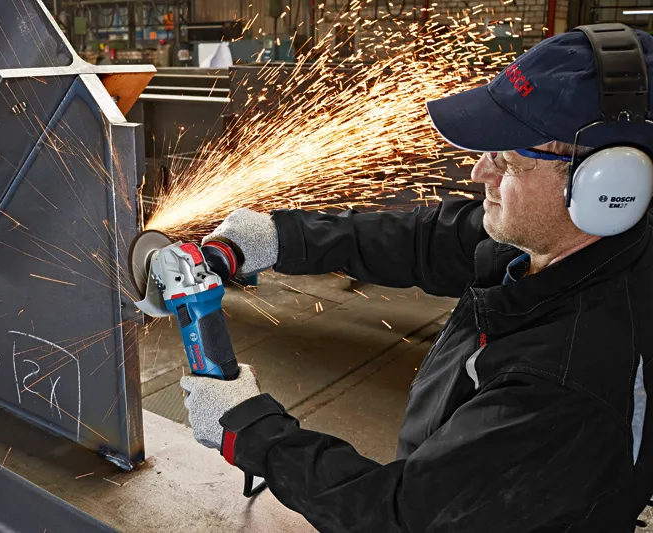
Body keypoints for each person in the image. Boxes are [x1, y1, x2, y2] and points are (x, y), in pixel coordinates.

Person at [180, 24, 653, 532]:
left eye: (507, 160)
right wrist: (281, 237)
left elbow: (403, 516)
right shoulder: (565, 245)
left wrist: (251, 432)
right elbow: (429, 238)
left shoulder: (566, 384)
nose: (479, 174)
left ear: (609, 188)